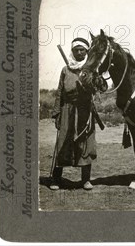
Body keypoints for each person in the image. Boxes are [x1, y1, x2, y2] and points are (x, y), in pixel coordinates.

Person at [50, 38, 97, 191]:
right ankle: (56, 179)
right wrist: (57, 113)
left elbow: (98, 89)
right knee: (63, 142)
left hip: (85, 110)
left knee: (85, 144)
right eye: (76, 49)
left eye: (81, 50)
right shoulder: (66, 69)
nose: (78, 52)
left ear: (86, 52)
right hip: (66, 110)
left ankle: (86, 180)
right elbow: (59, 92)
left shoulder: (91, 69)